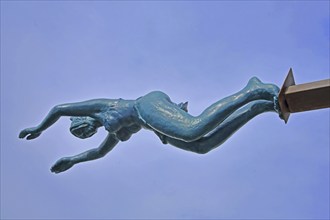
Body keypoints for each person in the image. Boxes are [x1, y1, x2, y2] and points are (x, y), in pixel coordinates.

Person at [19, 77, 283, 174]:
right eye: (84, 136)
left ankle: (251, 91)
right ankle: (258, 107)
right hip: (152, 124)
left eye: (81, 129)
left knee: (192, 129)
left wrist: (39, 128)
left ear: (81, 119)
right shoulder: (115, 131)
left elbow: (59, 109)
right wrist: (72, 160)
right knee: (202, 146)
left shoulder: (104, 108)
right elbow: (100, 153)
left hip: (146, 106)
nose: (86, 133)